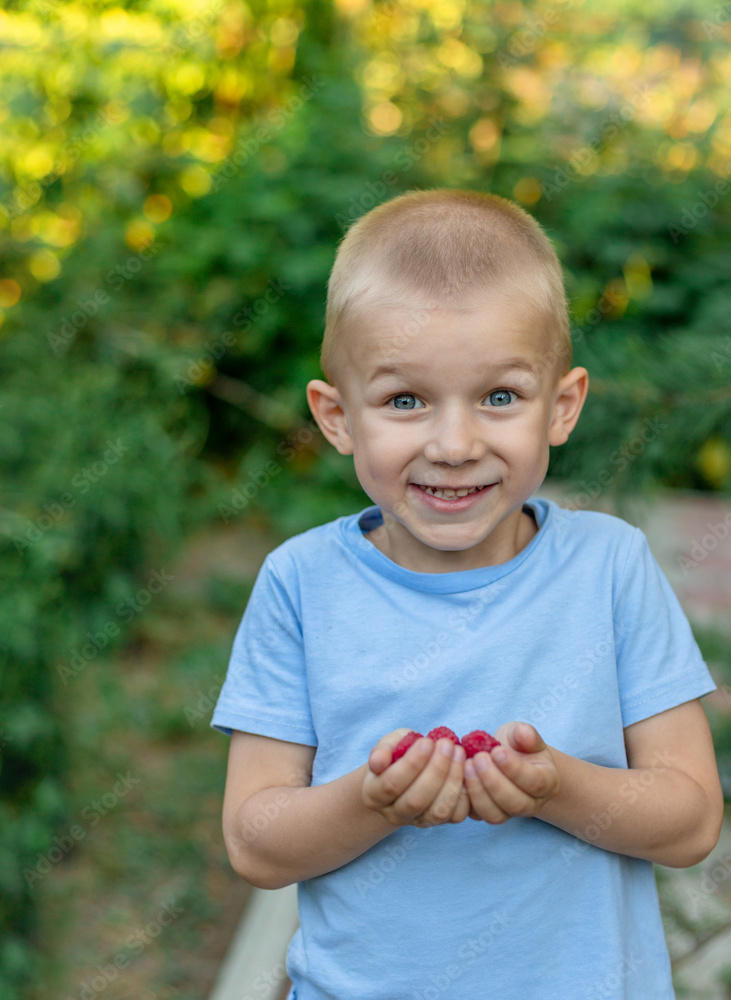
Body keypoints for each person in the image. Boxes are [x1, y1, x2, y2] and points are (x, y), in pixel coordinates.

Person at [211, 189, 723, 999]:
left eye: (499, 397)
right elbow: (254, 842)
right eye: (404, 401)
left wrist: (556, 787)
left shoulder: (609, 568)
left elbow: (689, 822)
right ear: (336, 416)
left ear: (560, 407)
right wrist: (373, 801)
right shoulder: (301, 585)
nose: (454, 444)